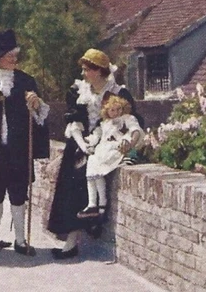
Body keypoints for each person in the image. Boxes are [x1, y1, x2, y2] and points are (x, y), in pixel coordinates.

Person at [47, 48, 142, 260]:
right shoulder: (79, 92)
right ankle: (71, 242)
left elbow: (131, 122)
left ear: (99, 71)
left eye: (87, 69)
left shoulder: (118, 93)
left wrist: (127, 143)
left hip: (106, 146)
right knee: (71, 189)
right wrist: (82, 144)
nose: (83, 74)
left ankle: (87, 231)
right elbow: (74, 121)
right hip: (82, 144)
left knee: (92, 186)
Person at [0, 30, 50, 257]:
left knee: (18, 194)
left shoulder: (26, 80)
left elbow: (39, 117)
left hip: (18, 149)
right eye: (9, 55)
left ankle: (20, 240)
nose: (14, 59)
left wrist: (36, 105)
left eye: (15, 55)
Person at [75, 94, 143, 218]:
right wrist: (87, 142)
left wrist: (131, 143)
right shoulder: (104, 123)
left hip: (116, 148)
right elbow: (96, 136)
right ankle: (94, 203)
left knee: (97, 166)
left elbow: (135, 130)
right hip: (103, 150)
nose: (116, 112)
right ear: (107, 111)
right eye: (112, 110)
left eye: (119, 109)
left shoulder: (127, 118)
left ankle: (101, 203)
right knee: (93, 163)